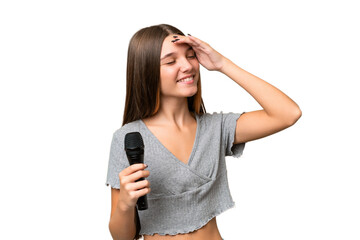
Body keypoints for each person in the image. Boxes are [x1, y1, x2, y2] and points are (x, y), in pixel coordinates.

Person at [106, 24, 302, 240]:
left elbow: (288, 113)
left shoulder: (217, 128)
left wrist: (222, 64)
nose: (187, 66)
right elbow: (121, 237)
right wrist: (125, 203)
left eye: (191, 56)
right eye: (171, 61)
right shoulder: (128, 138)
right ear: (146, 71)